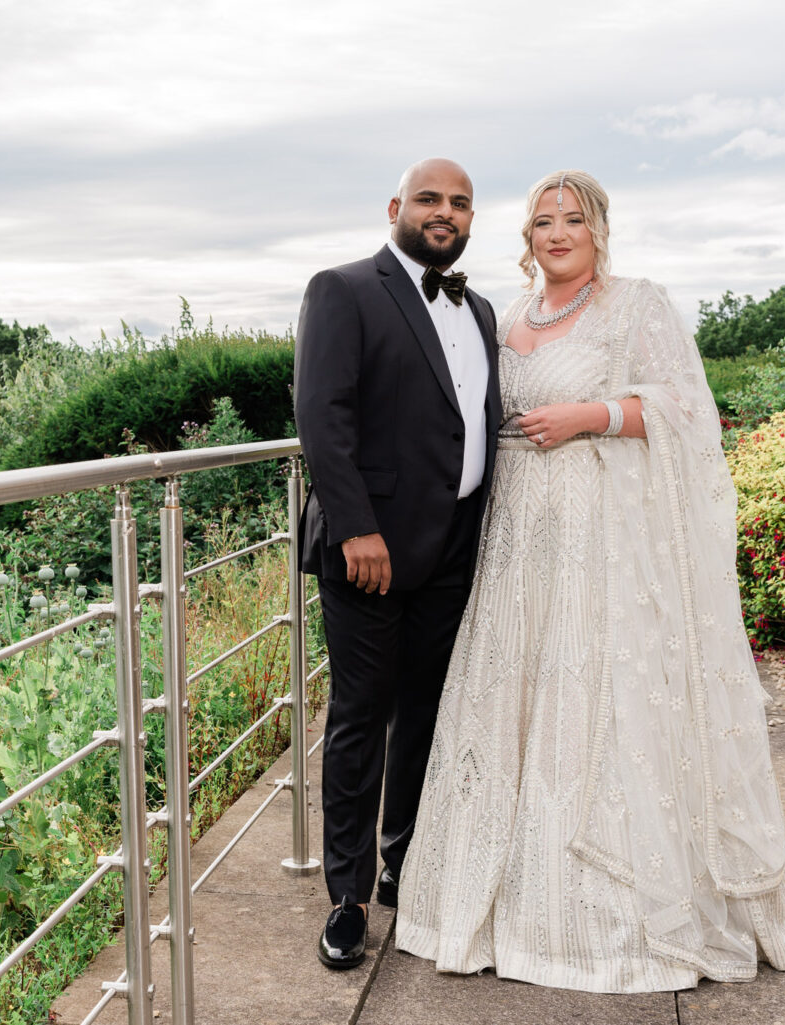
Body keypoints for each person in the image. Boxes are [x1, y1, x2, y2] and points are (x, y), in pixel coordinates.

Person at [394, 170, 785, 991]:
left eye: (572, 220)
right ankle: (491, 893)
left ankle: (604, 914)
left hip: (600, 539)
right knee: (508, 700)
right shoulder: (507, 315)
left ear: (598, 230)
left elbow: (687, 410)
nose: (556, 233)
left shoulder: (637, 305)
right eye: (542, 222)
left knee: (593, 701)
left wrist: (590, 415)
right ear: (525, 237)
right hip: (517, 538)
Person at [293, 157, 501, 970]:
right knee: (359, 717)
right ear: (396, 208)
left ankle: (401, 864)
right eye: (429, 199)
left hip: (453, 547)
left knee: (427, 714)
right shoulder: (343, 289)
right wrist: (355, 528)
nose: (444, 212)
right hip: (369, 550)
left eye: (459, 202)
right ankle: (346, 898)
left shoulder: (479, 309)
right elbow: (322, 411)